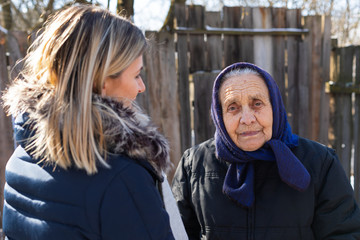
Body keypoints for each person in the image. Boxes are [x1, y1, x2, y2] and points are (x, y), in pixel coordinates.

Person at [2, 5, 176, 239]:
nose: (141, 87)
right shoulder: (122, 181)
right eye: (136, 75)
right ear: (103, 80)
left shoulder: (21, 157)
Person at [172, 62, 360, 239]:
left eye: (257, 103)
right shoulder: (194, 165)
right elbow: (175, 233)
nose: (247, 118)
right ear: (220, 116)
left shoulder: (320, 162)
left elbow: (344, 233)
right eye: (233, 107)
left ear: (275, 107)